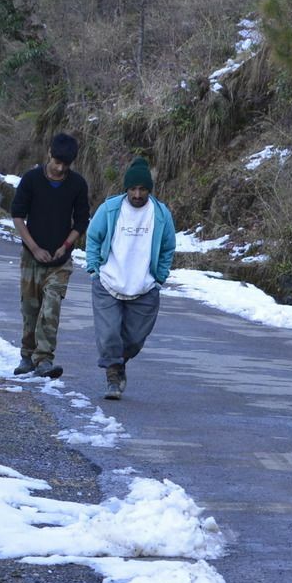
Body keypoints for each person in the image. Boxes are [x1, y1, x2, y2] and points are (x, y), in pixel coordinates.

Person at [84, 156, 177, 400]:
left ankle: (119, 361)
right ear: (126, 189)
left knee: (134, 340)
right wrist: (94, 269)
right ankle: (113, 376)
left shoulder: (160, 214)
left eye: (142, 189)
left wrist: (161, 276)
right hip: (108, 282)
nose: (137, 194)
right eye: (133, 189)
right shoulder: (111, 209)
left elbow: (168, 247)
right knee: (109, 335)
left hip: (145, 287)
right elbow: (93, 237)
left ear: (149, 189)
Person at [8, 132, 90, 378]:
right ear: (49, 155)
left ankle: (44, 358)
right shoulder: (31, 179)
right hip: (31, 257)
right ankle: (27, 356)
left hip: (60, 260)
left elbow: (82, 220)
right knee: (30, 308)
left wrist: (66, 245)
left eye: (65, 164)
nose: (60, 168)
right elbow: (17, 216)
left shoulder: (77, 184)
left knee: (51, 306)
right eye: (57, 162)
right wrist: (33, 247)